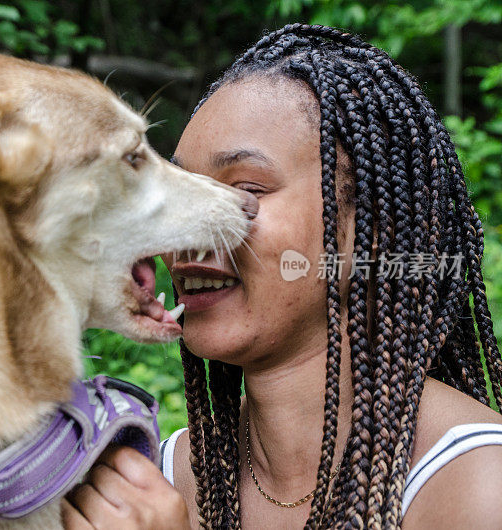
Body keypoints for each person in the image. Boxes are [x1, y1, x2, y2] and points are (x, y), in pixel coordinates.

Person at [61, 24, 502, 529]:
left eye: (245, 188)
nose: (185, 233)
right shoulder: (150, 481)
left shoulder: (479, 483)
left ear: (371, 232)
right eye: (181, 193)